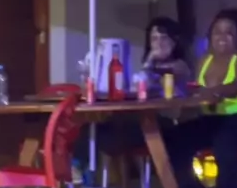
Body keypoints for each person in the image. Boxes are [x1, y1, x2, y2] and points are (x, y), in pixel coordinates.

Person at [165, 8, 237, 188]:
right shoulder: (204, 60)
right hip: (213, 118)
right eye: (217, 32)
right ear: (210, 36)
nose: (222, 37)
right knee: (175, 138)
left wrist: (216, 93)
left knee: (224, 139)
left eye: (229, 32)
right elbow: (197, 91)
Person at [73, 16, 190, 171]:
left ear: (174, 41)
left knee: (103, 136)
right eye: (154, 39)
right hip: (144, 120)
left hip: (166, 125)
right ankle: (79, 172)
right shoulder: (151, 66)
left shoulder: (179, 66)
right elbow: (141, 86)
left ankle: (89, 171)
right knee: (90, 129)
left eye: (164, 38)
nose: (159, 44)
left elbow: (150, 78)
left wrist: (150, 59)